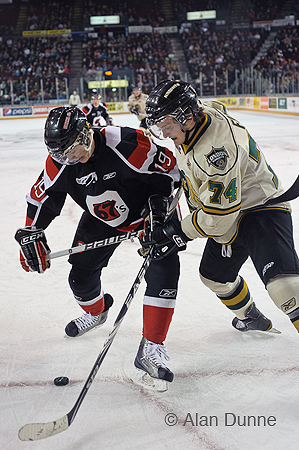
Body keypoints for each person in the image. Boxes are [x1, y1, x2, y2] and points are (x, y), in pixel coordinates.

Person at [14, 106, 182, 388]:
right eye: (58, 153)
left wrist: (158, 207)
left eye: (69, 150)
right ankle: (97, 311)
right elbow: (41, 197)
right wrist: (31, 231)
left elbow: (173, 174)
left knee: (164, 271)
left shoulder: (127, 143)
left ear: (85, 134)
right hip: (101, 219)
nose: (65, 158)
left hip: (150, 215)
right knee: (79, 277)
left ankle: (152, 347)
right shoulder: (61, 162)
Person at [142, 79, 299, 335]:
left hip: (260, 206)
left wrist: (178, 231)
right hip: (228, 209)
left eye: (167, 126)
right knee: (214, 277)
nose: (165, 133)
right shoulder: (196, 117)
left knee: (286, 288)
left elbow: (219, 217)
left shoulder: (217, 154)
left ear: (187, 117)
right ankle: (250, 316)